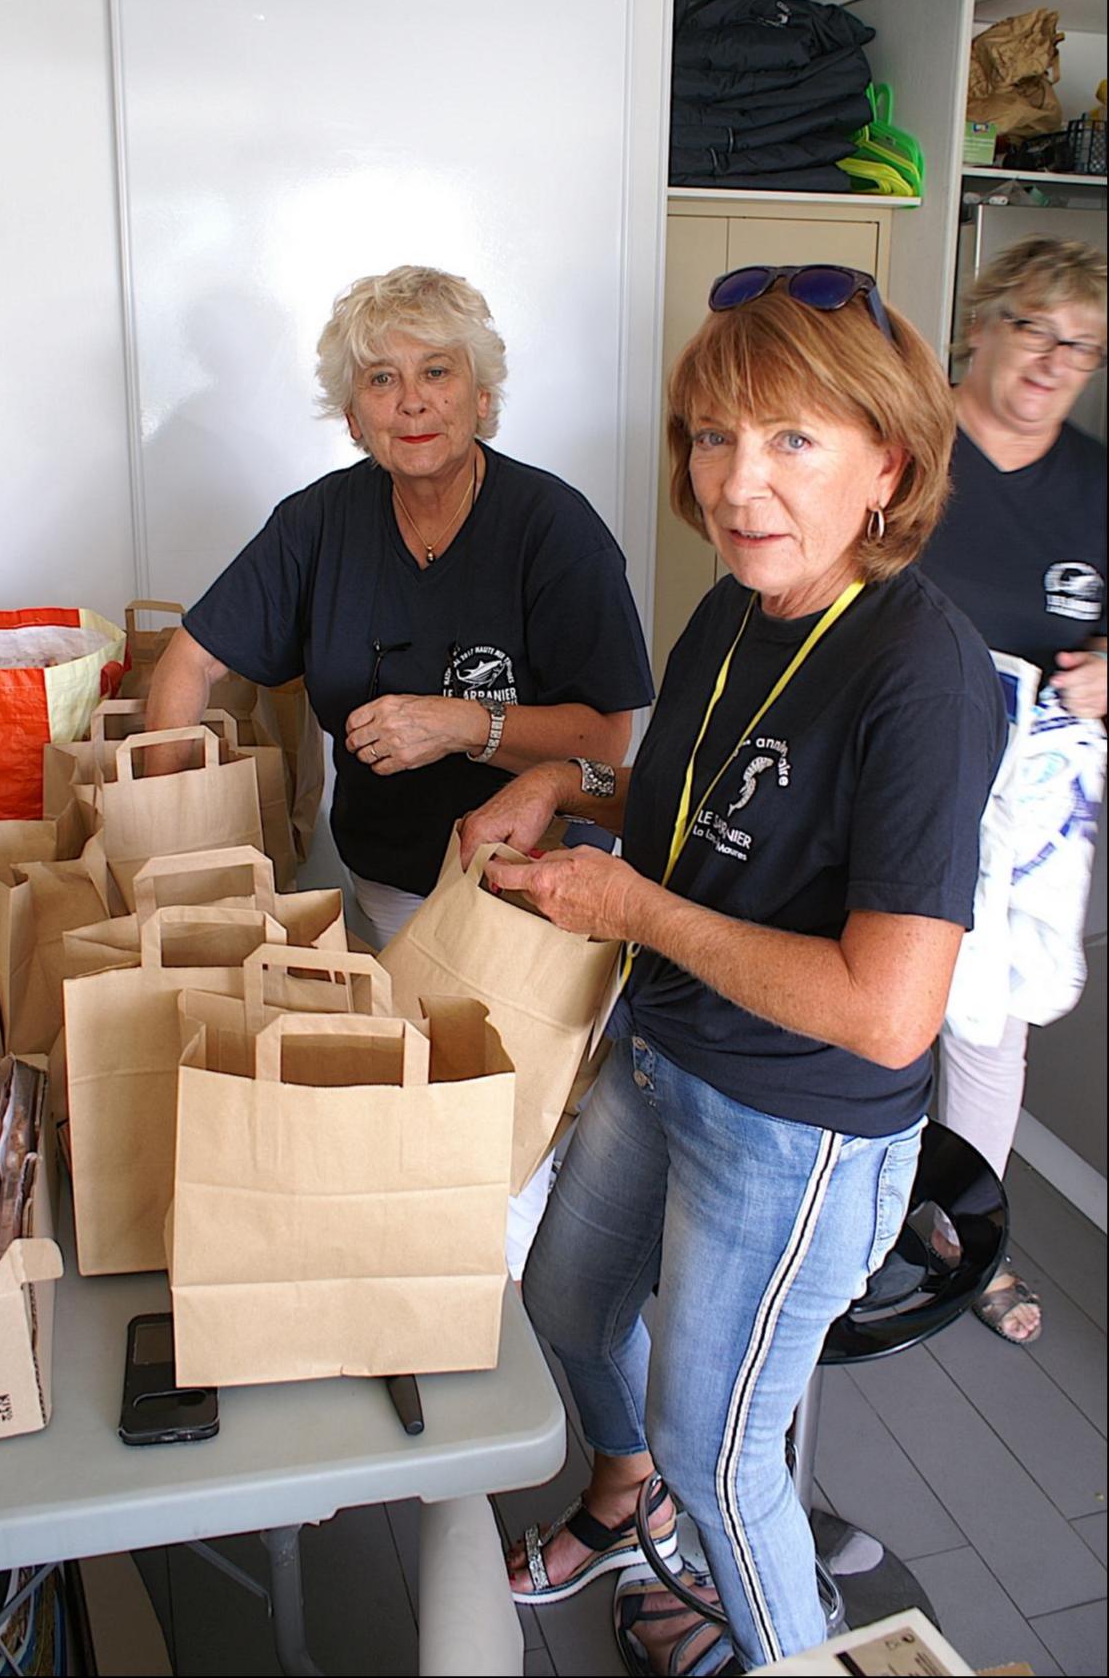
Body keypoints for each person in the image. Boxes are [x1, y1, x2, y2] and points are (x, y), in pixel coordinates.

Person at [458, 263, 1006, 1676]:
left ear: (888, 461)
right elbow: (692, 801)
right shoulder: (737, 605)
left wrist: (630, 906)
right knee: (570, 1308)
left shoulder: (921, 675)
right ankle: (623, 1502)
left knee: (722, 1456)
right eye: (713, 436)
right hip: (662, 1055)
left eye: (790, 439)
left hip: (795, 1128)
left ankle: (789, 1645)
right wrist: (569, 789)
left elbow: (890, 1014)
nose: (736, 484)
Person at [145, 263, 655, 1273]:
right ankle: (445, 1326)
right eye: (380, 379)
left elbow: (606, 743)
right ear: (350, 415)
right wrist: (166, 856)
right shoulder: (320, 522)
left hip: (532, 897)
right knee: (421, 1122)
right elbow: (188, 662)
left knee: (500, 1150)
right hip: (386, 883)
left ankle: (525, 1361)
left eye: (437, 371)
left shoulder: (552, 529)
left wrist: (463, 724)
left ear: (484, 395)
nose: (411, 399)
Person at [921, 236, 1107, 1345]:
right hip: (884, 780)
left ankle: (966, 1237)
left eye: (1079, 346)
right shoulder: (900, 441)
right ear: (980, 322)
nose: (1051, 361)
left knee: (985, 1034)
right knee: (867, 1018)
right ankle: (840, 1226)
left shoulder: (1093, 484)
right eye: (1034, 327)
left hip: (1022, 805)